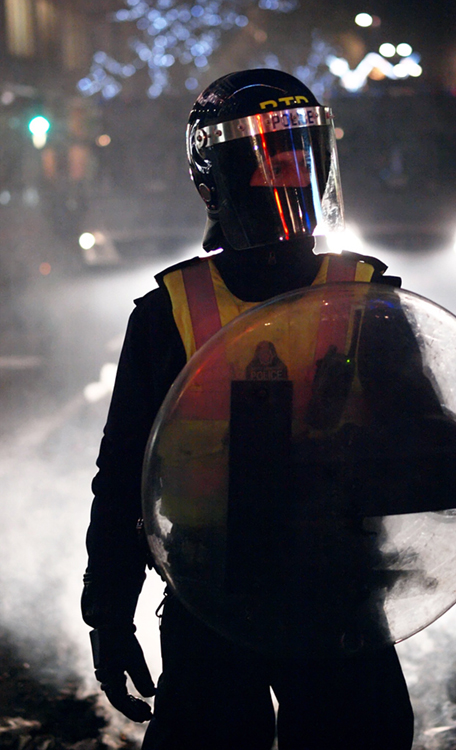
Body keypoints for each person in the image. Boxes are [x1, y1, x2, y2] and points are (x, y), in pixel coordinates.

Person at [82, 68, 416, 750]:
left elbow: (429, 443)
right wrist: (109, 616)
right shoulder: (167, 317)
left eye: (299, 155)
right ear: (219, 178)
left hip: (337, 601)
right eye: (268, 161)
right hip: (214, 605)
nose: (288, 178)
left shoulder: (367, 299)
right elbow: (124, 481)